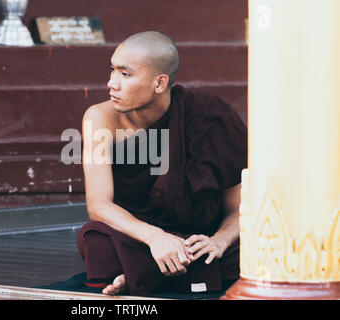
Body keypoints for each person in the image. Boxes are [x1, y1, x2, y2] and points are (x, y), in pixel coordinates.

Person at [77, 31, 247, 297]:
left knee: (254, 245)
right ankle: (172, 272)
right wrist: (156, 237)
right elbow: (99, 206)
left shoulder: (207, 116)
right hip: (142, 237)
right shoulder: (100, 118)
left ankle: (138, 276)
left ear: (159, 83)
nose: (112, 83)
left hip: (199, 240)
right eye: (112, 70)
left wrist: (219, 241)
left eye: (125, 74)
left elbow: (239, 209)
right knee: (96, 239)